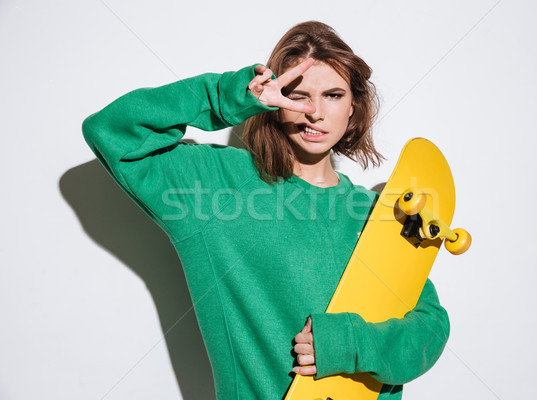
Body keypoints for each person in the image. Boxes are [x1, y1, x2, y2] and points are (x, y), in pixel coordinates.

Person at [82, 20, 450, 400]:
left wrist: (349, 343)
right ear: (274, 100)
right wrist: (230, 96)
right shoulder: (217, 190)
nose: (315, 112)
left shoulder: (375, 211)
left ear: (354, 105)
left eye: (334, 95)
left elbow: (429, 327)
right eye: (297, 94)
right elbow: (111, 132)